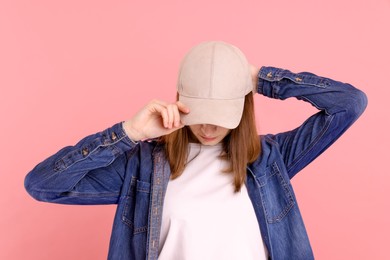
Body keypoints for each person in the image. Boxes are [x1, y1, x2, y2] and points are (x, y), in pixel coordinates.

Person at [24, 41, 367, 260]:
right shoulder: (142, 167)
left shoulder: (270, 159)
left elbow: (349, 104)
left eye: (220, 115)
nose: (208, 127)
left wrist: (260, 79)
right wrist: (129, 132)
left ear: (242, 108)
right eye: (201, 114)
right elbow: (41, 184)